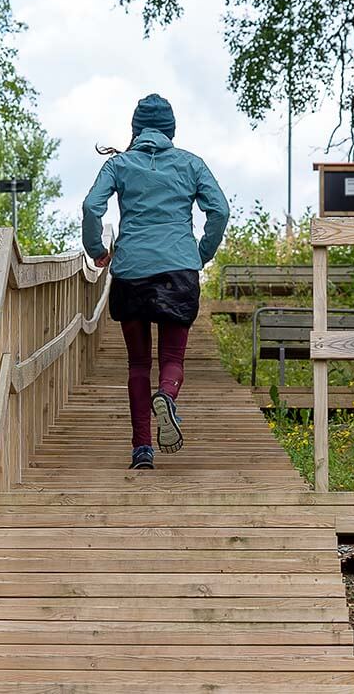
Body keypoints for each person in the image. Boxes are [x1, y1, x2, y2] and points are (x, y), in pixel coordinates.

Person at [82, 93, 230, 470]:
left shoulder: (119, 164)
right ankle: (166, 395)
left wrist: (96, 248)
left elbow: (90, 206)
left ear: (135, 129)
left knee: (136, 364)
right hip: (178, 271)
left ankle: (141, 450)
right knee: (171, 358)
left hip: (131, 273)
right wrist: (201, 253)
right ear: (171, 130)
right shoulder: (191, 164)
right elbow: (220, 210)